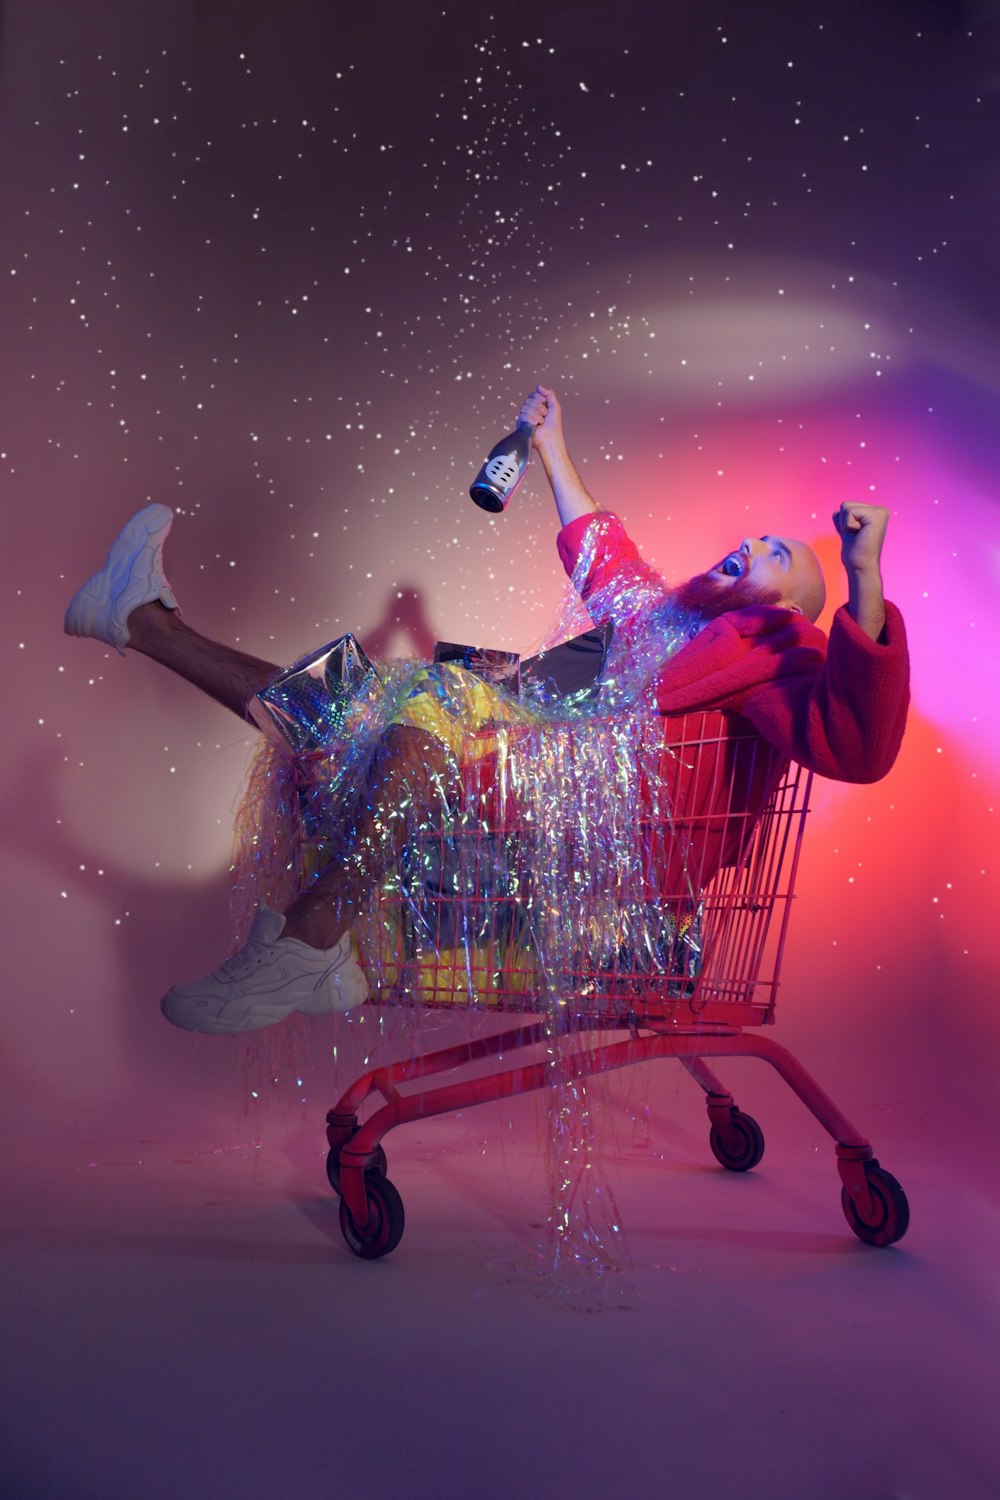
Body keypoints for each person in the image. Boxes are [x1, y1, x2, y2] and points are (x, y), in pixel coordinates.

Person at [64, 386, 909, 1033]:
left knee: (418, 698)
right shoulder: (670, 623)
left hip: (593, 827)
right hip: (533, 787)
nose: (752, 546)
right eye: (758, 537)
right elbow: (606, 559)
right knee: (369, 699)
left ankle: (312, 938)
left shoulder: (774, 645)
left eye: (776, 559)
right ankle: (141, 620)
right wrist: (550, 447)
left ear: (788, 609)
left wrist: (862, 576)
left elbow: (858, 744)